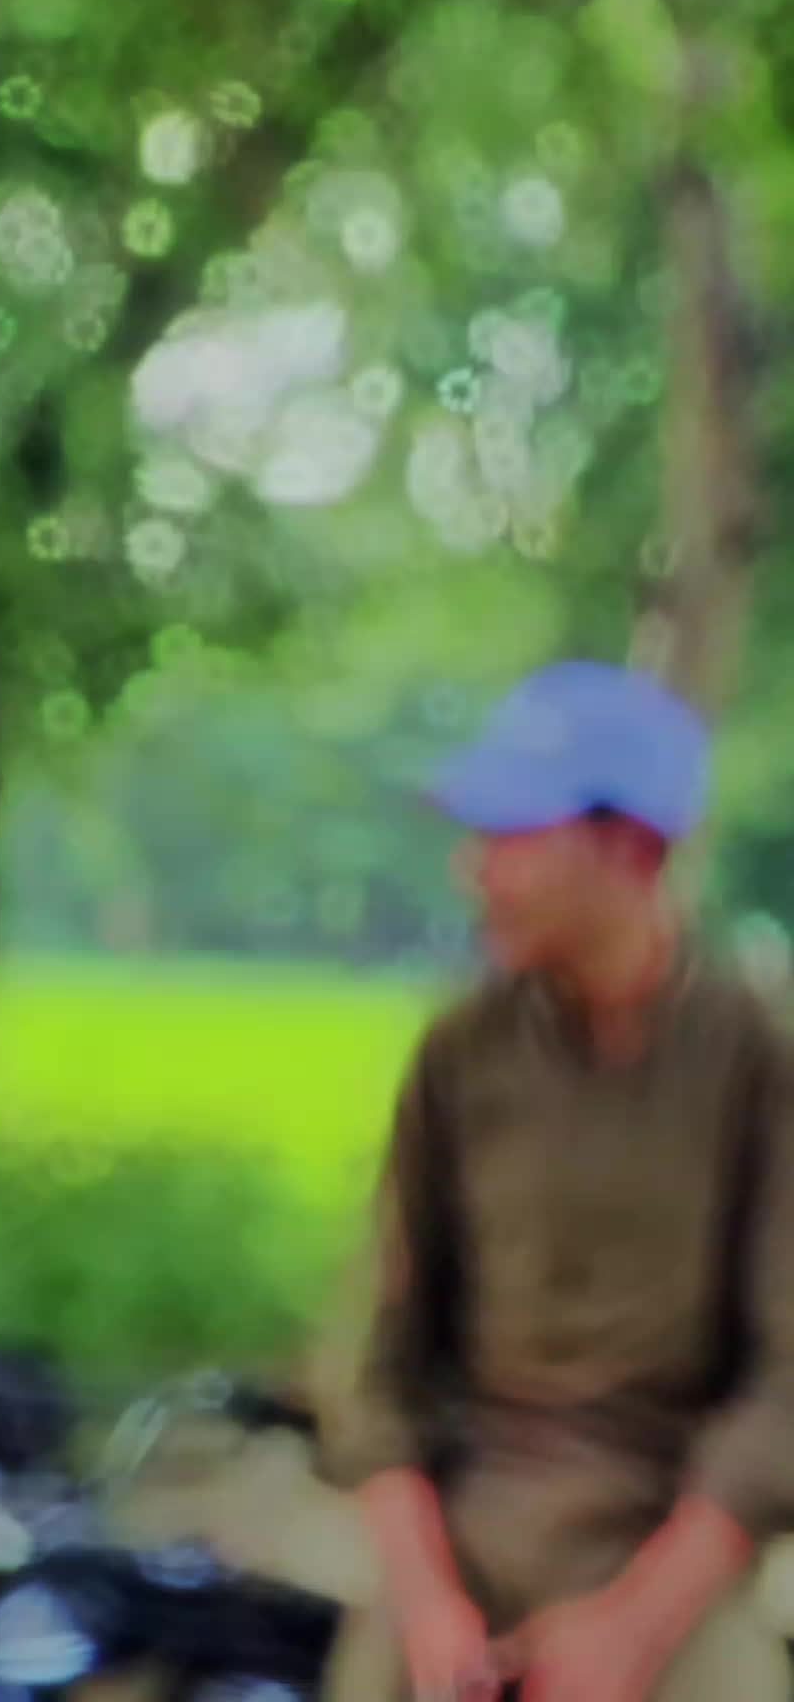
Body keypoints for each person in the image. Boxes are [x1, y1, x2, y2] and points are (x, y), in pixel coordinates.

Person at [317, 660, 794, 1702]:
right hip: (465, 1529)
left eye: (511, 838)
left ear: (631, 849)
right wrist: (428, 1607)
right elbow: (377, 1364)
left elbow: (786, 1384)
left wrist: (631, 1632)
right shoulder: (460, 1053)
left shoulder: (757, 1057)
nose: (474, 870)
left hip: (665, 1537)